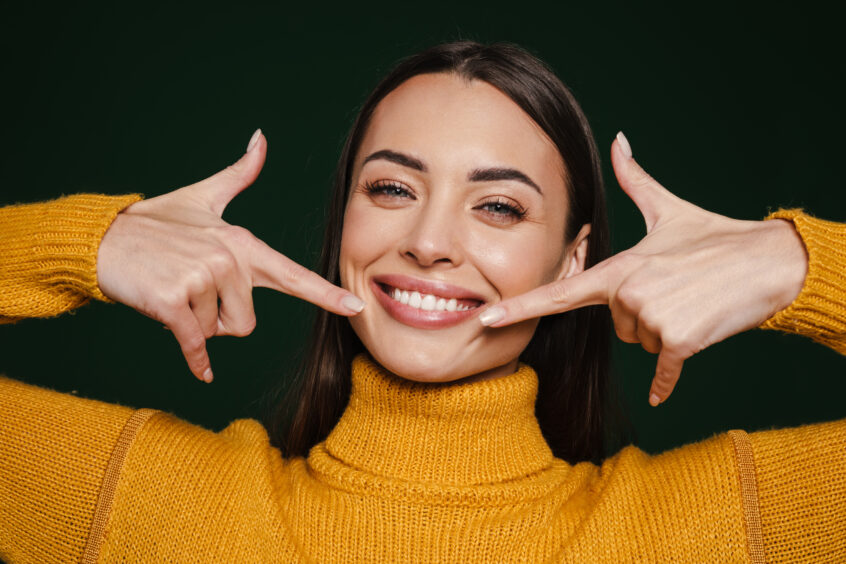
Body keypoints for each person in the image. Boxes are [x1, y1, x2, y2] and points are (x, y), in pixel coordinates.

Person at [1, 41, 843, 563]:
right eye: (392, 189)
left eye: (499, 205)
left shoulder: (718, 527)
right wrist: (93, 245)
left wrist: (792, 266)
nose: (431, 240)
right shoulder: (147, 500)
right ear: (343, 225)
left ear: (573, 260)